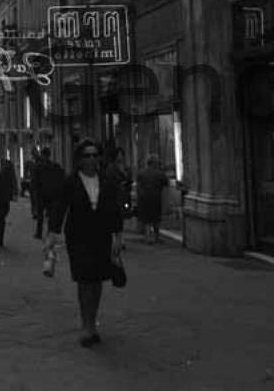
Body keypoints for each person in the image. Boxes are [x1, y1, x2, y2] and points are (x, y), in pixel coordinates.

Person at [48, 140, 124, 348]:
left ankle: (93, 321)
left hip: (101, 235)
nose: (91, 159)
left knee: (97, 280)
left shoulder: (106, 181)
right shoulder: (71, 182)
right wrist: (52, 233)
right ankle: (86, 325)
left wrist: (118, 236)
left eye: (94, 155)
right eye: (87, 156)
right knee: (84, 280)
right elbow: (60, 207)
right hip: (78, 237)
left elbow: (114, 209)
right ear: (79, 160)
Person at [31, 146, 65, 239]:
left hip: (42, 195)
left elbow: (34, 182)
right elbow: (61, 179)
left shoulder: (38, 167)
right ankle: (49, 232)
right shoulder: (55, 166)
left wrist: (35, 192)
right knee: (50, 215)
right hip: (51, 194)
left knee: (41, 215)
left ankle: (39, 233)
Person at [135, 155, 170, 243]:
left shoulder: (141, 173)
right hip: (156, 198)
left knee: (146, 218)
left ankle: (147, 237)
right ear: (154, 163)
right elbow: (166, 184)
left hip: (144, 198)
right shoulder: (160, 173)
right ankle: (156, 236)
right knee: (156, 218)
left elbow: (138, 187)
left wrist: (140, 196)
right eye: (157, 162)